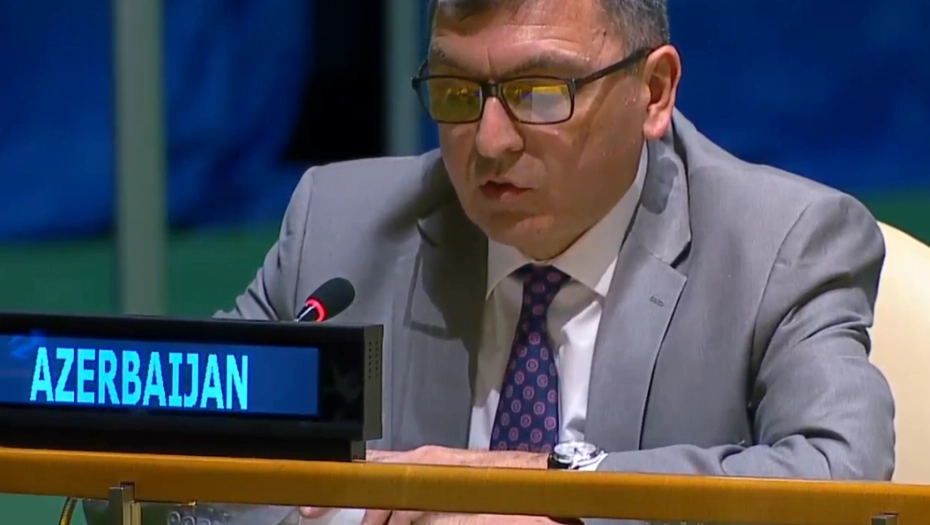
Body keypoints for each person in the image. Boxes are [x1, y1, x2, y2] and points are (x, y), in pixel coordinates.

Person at [87, 0, 893, 524]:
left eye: (540, 92)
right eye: (456, 92)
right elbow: (162, 461)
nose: (492, 142)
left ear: (653, 92)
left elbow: (840, 478)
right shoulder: (340, 228)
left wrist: (544, 486)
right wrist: (352, 508)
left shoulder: (782, 242)